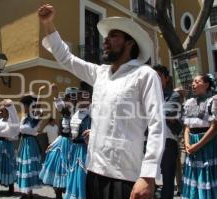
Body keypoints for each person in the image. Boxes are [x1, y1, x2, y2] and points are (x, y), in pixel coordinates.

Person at [38, 4, 166, 199]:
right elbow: (66, 58)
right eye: (106, 37)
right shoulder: (100, 73)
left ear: (130, 43)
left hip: (126, 176)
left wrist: (148, 176)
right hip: (94, 171)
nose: (105, 41)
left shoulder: (144, 75)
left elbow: (157, 126)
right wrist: (48, 24)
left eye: (113, 36)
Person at [39, 84, 78, 199]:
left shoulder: (79, 111)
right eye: (69, 97)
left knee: (72, 168)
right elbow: (60, 106)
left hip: (75, 144)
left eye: (74, 97)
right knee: (58, 166)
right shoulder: (65, 110)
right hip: (64, 142)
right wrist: (55, 95)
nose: (72, 99)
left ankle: (68, 192)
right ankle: (58, 194)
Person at [181, 74, 217, 199]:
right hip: (191, 145)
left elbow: (214, 128)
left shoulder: (213, 100)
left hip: (206, 144)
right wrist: (187, 144)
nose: (193, 84)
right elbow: (186, 127)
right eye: (193, 82)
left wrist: (197, 145)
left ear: (206, 85)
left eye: (197, 81)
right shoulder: (190, 102)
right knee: (193, 176)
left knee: (205, 174)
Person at [153, 65, 183, 199]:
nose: (155, 79)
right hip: (149, 141)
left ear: (166, 78)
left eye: (159, 76)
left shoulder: (174, 94)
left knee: (168, 178)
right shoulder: (148, 94)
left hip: (167, 142)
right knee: (148, 176)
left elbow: (169, 112)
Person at [65, 81, 92, 199]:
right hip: (74, 150)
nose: (79, 99)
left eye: (82, 96)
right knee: (73, 176)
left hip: (86, 152)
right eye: (78, 96)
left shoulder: (94, 115)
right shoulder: (75, 114)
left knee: (82, 178)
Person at [16, 89, 45, 199]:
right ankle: (26, 191)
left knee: (29, 166)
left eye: (25, 105)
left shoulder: (35, 116)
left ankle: (29, 192)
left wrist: (39, 94)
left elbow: (38, 106)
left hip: (31, 143)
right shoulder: (24, 118)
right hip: (24, 143)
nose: (23, 107)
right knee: (24, 166)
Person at [0, 101, 18, 195]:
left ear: (7, 112)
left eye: (2, 111)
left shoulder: (11, 122)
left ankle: (11, 187)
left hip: (7, 145)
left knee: (8, 164)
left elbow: (14, 135)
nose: (0, 113)